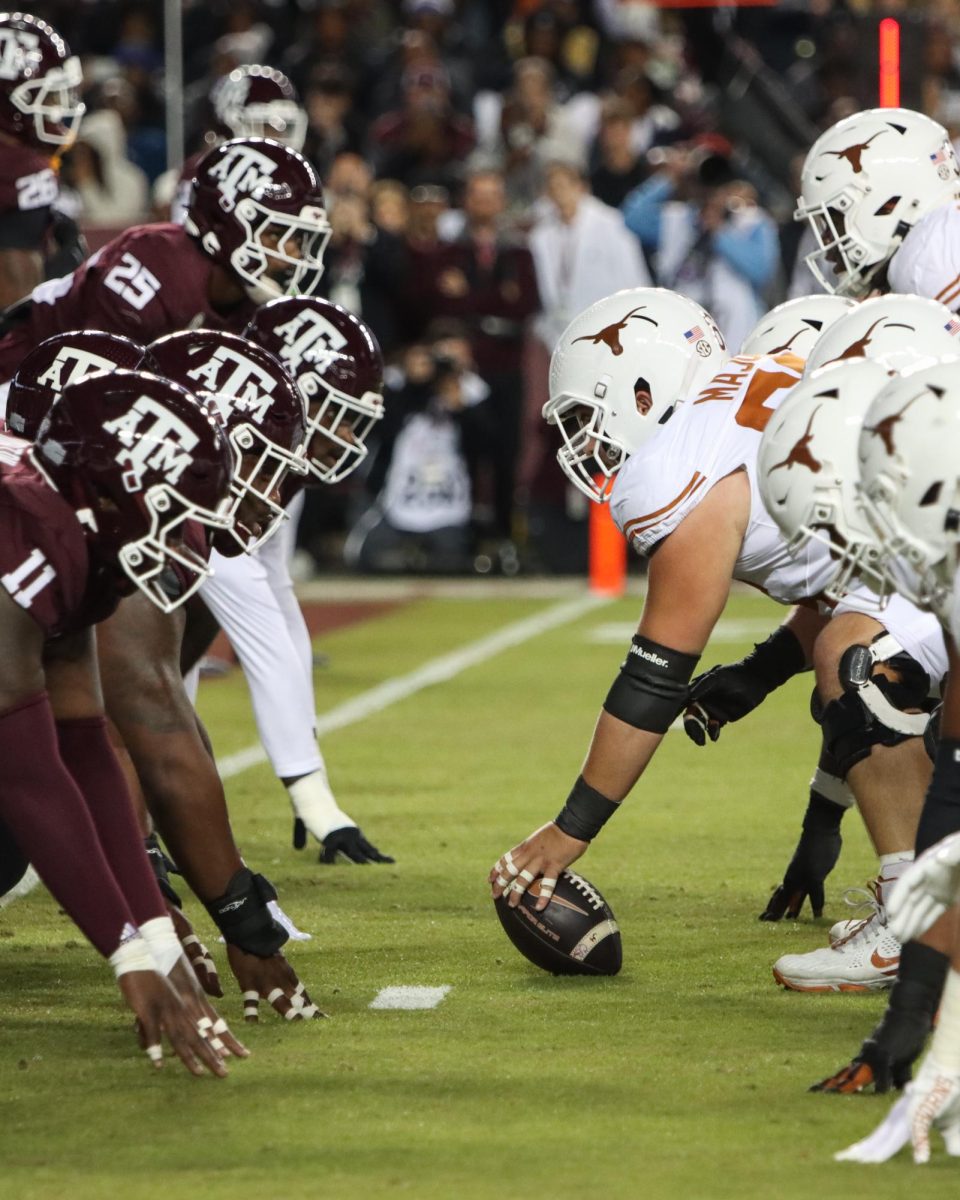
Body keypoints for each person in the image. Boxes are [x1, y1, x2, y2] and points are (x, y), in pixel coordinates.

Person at [487, 287, 949, 999]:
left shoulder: (681, 465)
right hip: (924, 544)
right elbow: (850, 580)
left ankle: (915, 921)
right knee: (851, 645)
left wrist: (568, 832)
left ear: (643, 390)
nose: (587, 443)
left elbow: (653, 681)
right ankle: (919, 905)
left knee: (855, 661)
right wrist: (762, 676)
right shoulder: (748, 395)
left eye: (588, 416)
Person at [2, 327, 328, 1018]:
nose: (269, 494)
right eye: (257, 465)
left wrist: (148, 915)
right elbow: (125, 729)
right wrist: (161, 938)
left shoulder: (87, 510)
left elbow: (91, 738)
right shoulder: (48, 524)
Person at [784, 104, 960, 1091]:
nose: (832, 243)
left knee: (853, 651)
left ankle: (909, 921)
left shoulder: (931, 252)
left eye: (838, 213)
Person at [0, 368, 244, 1072]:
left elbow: (84, 746)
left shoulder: (78, 531)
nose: (187, 532)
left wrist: (159, 941)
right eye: (172, 507)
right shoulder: (24, 529)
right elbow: (27, 774)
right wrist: (126, 956)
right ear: (108, 488)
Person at [191, 298, 394, 863]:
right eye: (340, 410)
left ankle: (146, 827)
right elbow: (261, 628)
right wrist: (313, 797)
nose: (348, 433)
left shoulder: (276, 453)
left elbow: (278, 597)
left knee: (173, 650)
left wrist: (311, 774)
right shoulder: (225, 448)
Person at [0, 135, 330, 394]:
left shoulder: (249, 301)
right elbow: (91, 388)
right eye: (276, 235)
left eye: (299, 240)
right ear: (224, 222)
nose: (293, 254)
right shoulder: (154, 263)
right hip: (24, 375)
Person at [0, 12, 85, 309]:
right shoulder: (21, 167)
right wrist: (59, 282)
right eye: (46, 97)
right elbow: (14, 309)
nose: (55, 110)